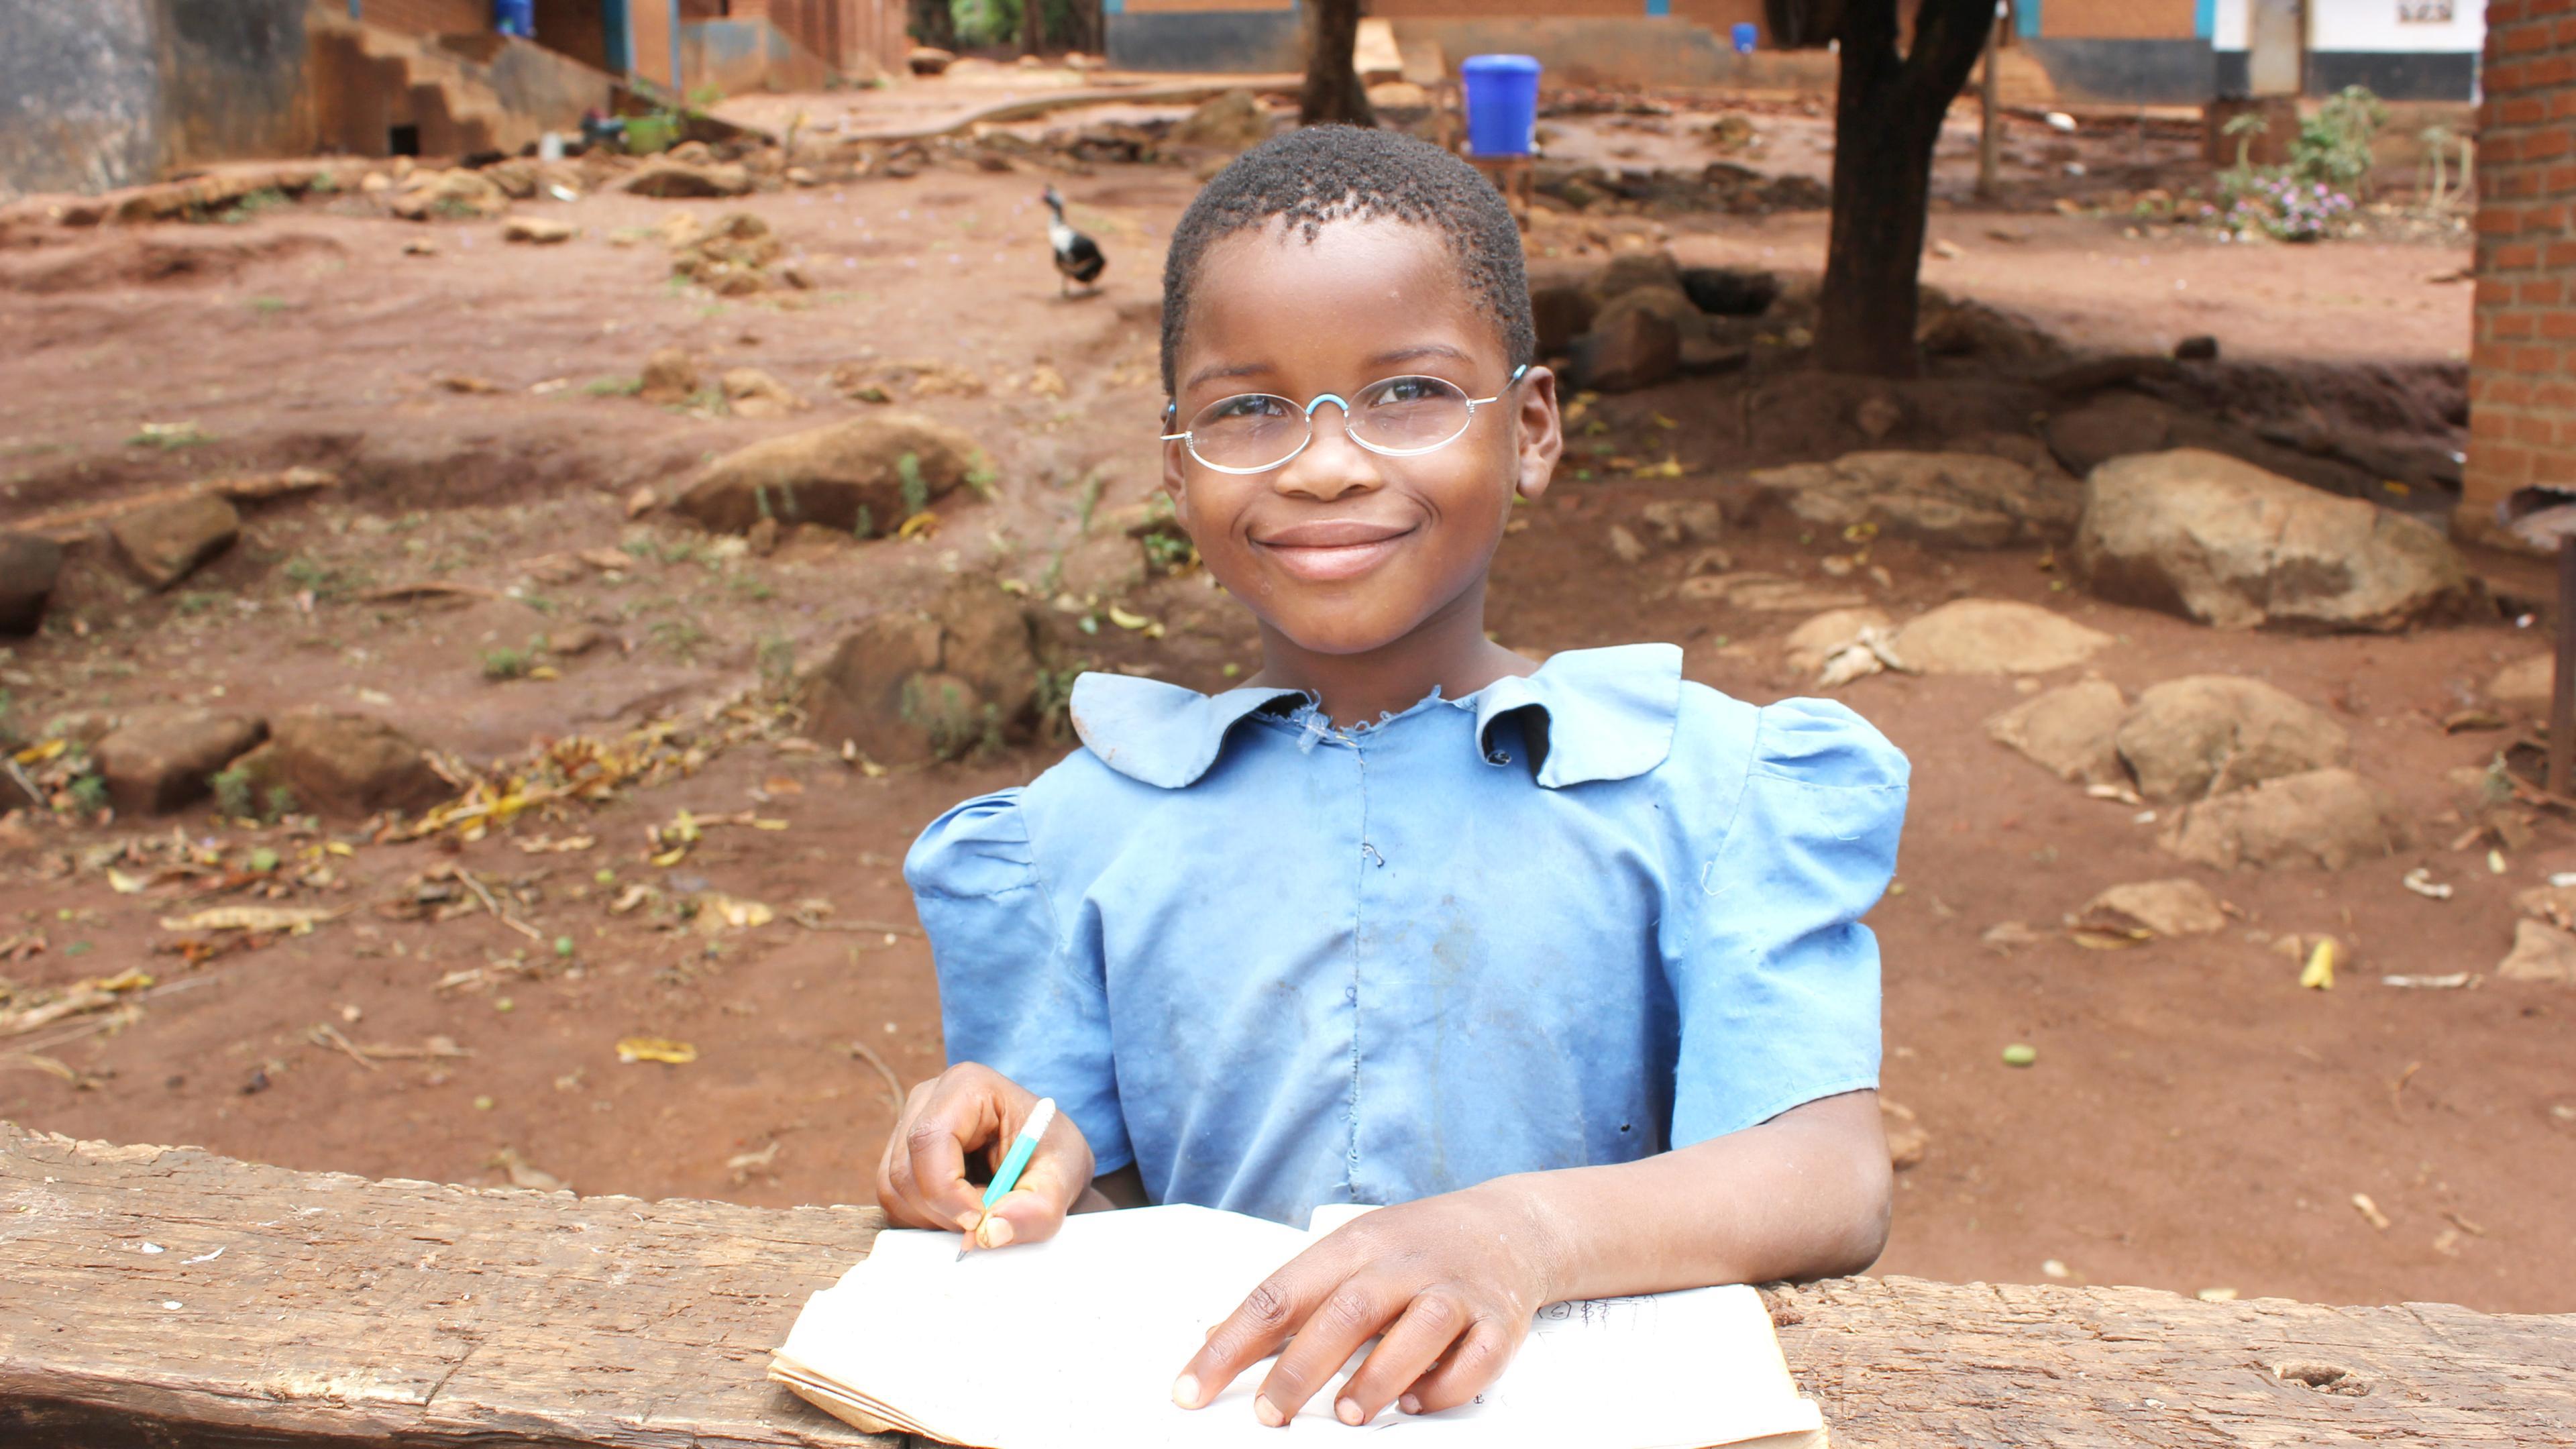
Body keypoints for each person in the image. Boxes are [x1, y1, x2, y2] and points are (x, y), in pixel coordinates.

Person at [881, 125, 1909, 1430]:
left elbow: (1831, 1173)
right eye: (1246, 407)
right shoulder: (1075, 836)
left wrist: (1522, 1235)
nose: (1324, 462)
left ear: (1531, 427)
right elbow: (1076, 1213)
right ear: (1176, 465)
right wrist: (996, 1160)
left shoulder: (1703, 793)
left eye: (1408, 392)